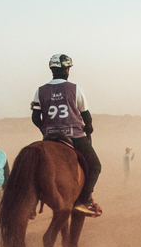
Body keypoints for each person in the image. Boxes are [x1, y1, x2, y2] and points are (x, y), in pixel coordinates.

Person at [30, 53, 102, 216]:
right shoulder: (76, 88)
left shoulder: (40, 91)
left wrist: (47, 130)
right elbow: (86, 116)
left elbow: (35, 117)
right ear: (66, 69)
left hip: (49, 137)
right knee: (95, 166)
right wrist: (88, 128)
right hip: (74, 136)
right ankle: (83, 200)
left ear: (52, 70)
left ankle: (31, 203)